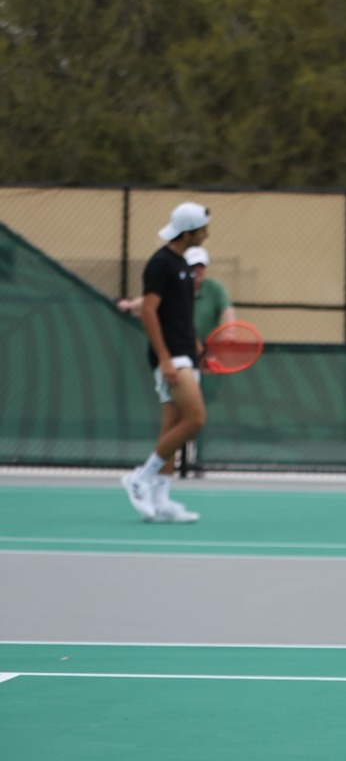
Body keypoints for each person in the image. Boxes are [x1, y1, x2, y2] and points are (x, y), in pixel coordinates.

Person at [119, 202, 210, 523]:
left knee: (172, 428)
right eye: (203, 229)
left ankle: (161, 500)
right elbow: (149, 311)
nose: (207, 234)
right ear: (188, 232)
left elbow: (178, 312)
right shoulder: (161, 263)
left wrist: (197, 345)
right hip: (171, 355)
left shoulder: (182, 265)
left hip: (185, 351)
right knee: (196, 419)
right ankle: (140, 478)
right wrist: (165, 359)